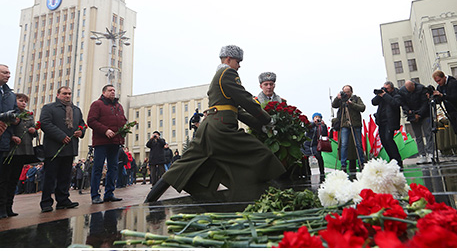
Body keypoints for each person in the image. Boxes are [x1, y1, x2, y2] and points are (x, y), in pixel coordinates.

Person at [144, 44, 285, 203]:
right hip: (221, 129)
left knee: (181, 166)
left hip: (208, 128)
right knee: (262, 154)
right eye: (238, 61)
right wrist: (267, 119)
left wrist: (260, 124)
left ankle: (149, 201)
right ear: (229, 59)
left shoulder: (218, 76)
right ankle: (280, 194)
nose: (239, 65)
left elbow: (236, 110)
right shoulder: (228, 73)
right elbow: (244, 99)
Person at [39, 85, 86, 212]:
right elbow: (45, 123)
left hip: (70, 148)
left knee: (65, 176)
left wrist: (81, 132)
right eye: (64, 93)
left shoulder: (76, 110)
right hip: (54, 148)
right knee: (50, 177)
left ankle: (63, 200)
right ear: (58, 95)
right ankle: (46, 202)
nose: (67, 96)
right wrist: (61, 136)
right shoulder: (49, 108)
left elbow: (82, 124)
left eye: (69, 93)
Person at [87, 85, 127, 204]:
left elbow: (123, 120)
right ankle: (95, 195)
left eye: (114, 90)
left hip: (115, 142)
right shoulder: (97, 104)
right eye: (110, 90)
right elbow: (91, 121)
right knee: (98, 168)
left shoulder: (119, 106)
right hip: (101, 142)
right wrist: (105, 130)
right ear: (104, 92)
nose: (113, 92)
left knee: (113, 168)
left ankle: (109, 193)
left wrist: (124, 128)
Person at [1, 92, 38, 217]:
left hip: (24, 150)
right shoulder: (10, 113)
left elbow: (33, 130)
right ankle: (2, 208)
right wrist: (12, 137)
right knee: (4, 179)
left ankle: (9, 207)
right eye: (20, 100)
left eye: (25, 101)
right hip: (10, 150)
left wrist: (34, 131)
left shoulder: (28, 114)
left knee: (13, 180)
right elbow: (5, 128)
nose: (23, 103)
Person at [432, 70, 457, 156]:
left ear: (444, 77)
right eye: (436, 81)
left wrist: (442, 95)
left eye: (439, 80)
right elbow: (439, 101)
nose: (438, 83)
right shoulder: (440, 87)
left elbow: (455, 98)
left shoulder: (454, 84)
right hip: (451, 112)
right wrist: (435, 97)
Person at [0, 64, 19, 220]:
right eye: (5, 72)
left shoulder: (10, 95)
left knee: (3, 177)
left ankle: (2, 209)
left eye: (9, 73)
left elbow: (14, 113)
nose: (8, 75)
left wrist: (14, 120)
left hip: (4, 140)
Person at [397, 80, 433, 162]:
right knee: (418, 136)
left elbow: (425, 103)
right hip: (412, 116)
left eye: (412, 89)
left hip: (425, 114)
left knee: (428, 134)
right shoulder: (402, 91)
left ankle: (431, 154)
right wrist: (411, 113)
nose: (411, 91)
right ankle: (422, 155)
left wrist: (419, 114)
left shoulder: (421, 88)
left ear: (414, 85)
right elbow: (403, 104)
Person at [331, 85, 365, 172]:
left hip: (355, 124)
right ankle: (343, 165)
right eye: (344, 92)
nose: (346, 94)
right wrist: (337, 98)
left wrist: (351, 104)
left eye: (348, 92)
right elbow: (334, 105)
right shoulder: (341, 100)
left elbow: (362, 108)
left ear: (351, 92)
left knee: (358, 144)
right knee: (343, 144)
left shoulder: (356, 99)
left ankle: (361, 163)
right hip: (344, 125)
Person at [371, 82, 403, 168]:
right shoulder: (382, 96)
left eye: (387, 88)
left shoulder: (396, 94)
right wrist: (379, 95)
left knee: (389, 139)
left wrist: (385, 95)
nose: (385, 90)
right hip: (382, 121)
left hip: (391, 121)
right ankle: (392, 159)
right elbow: (373, 102)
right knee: (384, 141)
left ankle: (397, 160)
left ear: (391, 89)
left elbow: (395, 104)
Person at [304, 113, 329, 183]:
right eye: (316, 117)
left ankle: (322, 172)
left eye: (319, 117)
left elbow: (325, 134)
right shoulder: (310, 124)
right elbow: (307, 129)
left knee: (319, 157)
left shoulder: (321, 126)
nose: (317, 118)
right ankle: (308, 173)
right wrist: (313, 124)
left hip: (315, 145)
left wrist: (324, 126)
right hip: (306, 144)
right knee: (306, 159)